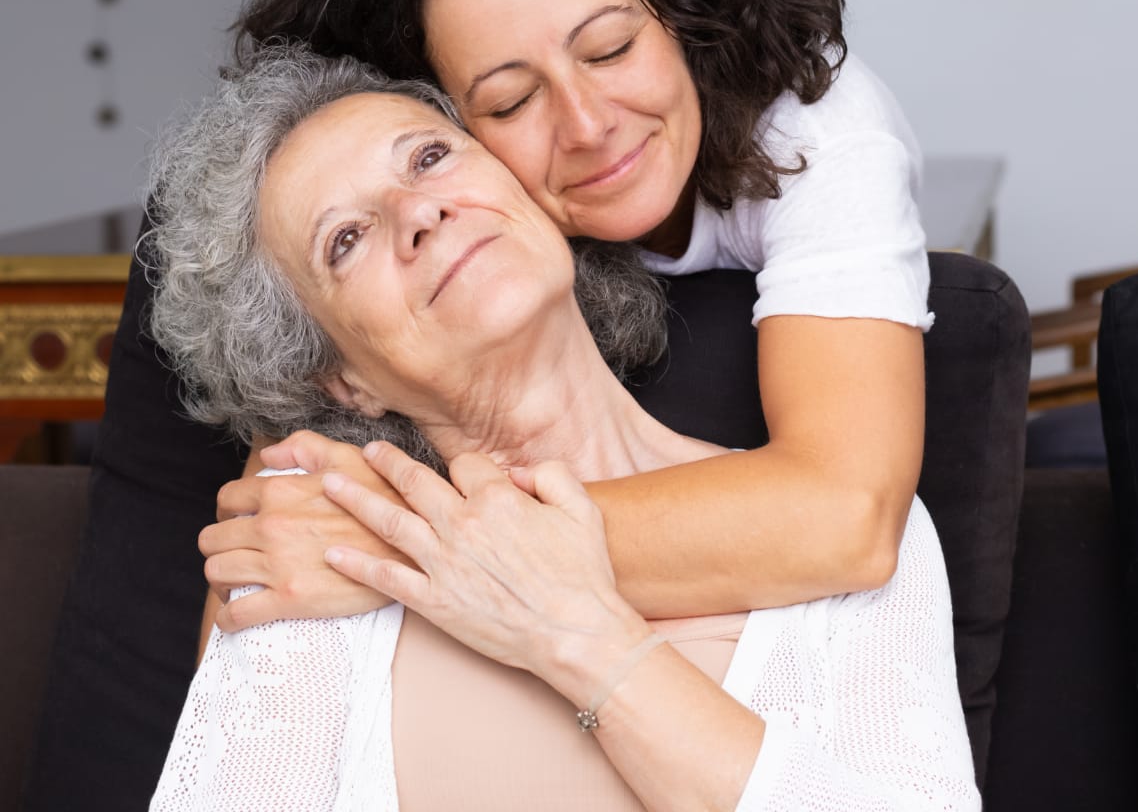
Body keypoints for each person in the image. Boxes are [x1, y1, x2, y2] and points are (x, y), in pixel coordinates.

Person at [145, 48, 977, 811]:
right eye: (348, 239)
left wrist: (579, 641)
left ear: (530, 197)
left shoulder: (850, 523)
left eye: (430, 157)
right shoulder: (311, 543)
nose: (420, 212)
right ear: (343, 377)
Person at [199, 0, 930, 634]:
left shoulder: (820, 136)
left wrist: (401, 553)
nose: (588, 127)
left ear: (680, 11)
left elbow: (843, 518)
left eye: (611, 50)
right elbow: (276, 527)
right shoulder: (433, 220)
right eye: (510, 101)